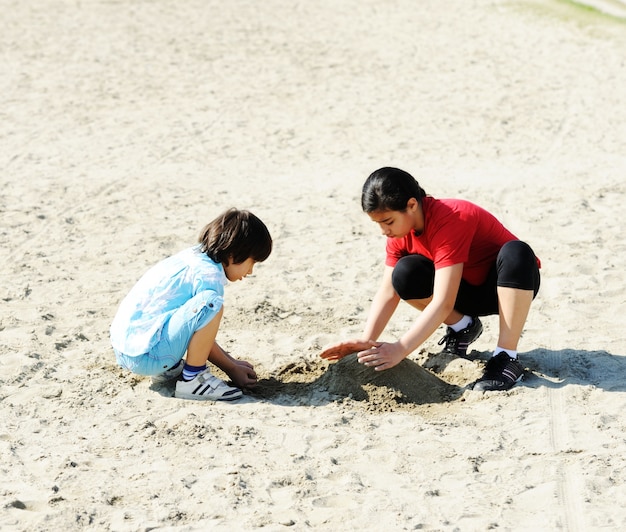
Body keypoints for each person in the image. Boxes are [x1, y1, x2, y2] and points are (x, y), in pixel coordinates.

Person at [320, 167, 540, 392]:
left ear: (412, 205)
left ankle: (506, 358)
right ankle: (463, 326)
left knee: (517, 251)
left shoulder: (452, 217)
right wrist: (367, 340)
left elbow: (443, 301)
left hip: (508, 288)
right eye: (378, 224)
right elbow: (388, 292)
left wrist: (401, 348)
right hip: (462, 291)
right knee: (405, 273)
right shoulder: (400, 233)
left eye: (387, 221)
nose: (383, 231)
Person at [110, 208, 272, 401]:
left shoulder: (191, 257)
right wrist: (231, 367)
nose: (251, 271)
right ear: (234, 254)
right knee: (212, 304)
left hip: (126, 350)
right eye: (252, 262)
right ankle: (194, 380)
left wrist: (233, 364)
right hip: (147, 356)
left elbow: (195, 329)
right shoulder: (209, 277)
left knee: (202, 310)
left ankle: (172, 369)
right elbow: (202, 325)